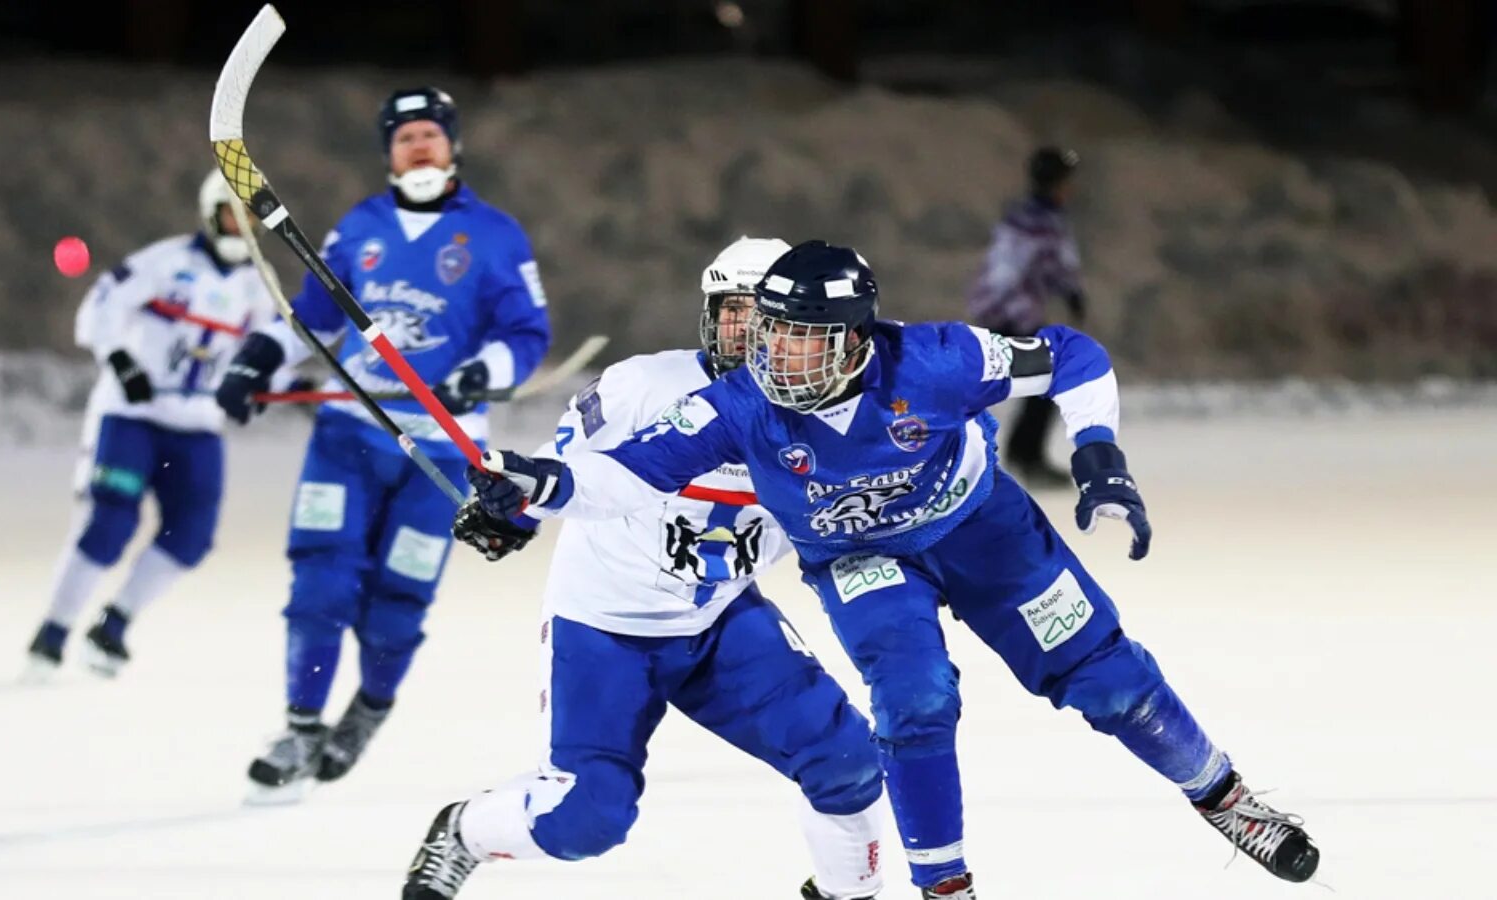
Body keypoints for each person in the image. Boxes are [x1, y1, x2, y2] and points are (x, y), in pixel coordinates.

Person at [465, 241, 1320, 897]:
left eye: (803, 340)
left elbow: (1073, 356)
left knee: (1108, 679)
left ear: (855, 338)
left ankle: (1226, 798)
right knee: (914, 704)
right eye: (771, 333)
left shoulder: (939, 361)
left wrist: (1099, 454)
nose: (778, 357)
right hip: (862, 560)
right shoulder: (741, 402)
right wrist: (541, 486)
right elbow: (630, 471)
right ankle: (945, 886)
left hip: (981, 531)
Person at [401, 237, 886, 900]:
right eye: (730, 308)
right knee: (585, 820)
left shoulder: (833, 414)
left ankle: (845, 895)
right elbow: (563, 468)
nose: (742, 328)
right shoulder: (642, 387)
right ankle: (463, 832)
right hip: (606, 629)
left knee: (848, 763)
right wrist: (512, 508)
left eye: (759, 312)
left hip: (718, 621)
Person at [214, 86, 552, 796]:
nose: (419, 146)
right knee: (321, 580)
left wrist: (478, 374)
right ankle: (300, 728)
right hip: (351, 433)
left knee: (397, 598)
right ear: (389, 153)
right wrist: (255, 360)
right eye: (405, 138)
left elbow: (527, 336)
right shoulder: (358, 227)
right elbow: (311, 317)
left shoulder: (495, 235)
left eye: (431, 134)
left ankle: (370, 706)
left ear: (452, 145)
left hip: (443, 447)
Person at [26, 171, 276, 679]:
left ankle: (114, 625)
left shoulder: (259, 286)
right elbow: (102, 304)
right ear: (211, 213)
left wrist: (258, 388)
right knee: (111, 522)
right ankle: (51, 634)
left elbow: (268, 355)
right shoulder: (168, 261)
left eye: (250, 215)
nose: (241, 224)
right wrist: (122, 362)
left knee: (192, 536)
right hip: (133, 416)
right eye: (232, 212)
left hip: (199, 425)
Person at [967, 146, 1087, 485]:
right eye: (1067, 181)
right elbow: (1053, 266)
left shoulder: (1020, 215)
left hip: (994, 309)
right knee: (1049, 377)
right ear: (1058, 183)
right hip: (1009, 313)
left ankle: (1021, 454)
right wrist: (1073, 294)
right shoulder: (1043, 223)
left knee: (1039, 379)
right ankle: (1025, 457)